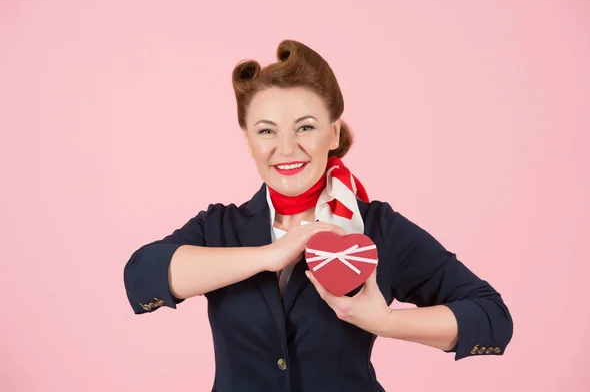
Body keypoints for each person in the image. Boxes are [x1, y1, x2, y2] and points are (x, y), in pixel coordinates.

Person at [123, 39, 513, 392]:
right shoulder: (220, 227)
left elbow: (491, 316)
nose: (287, 148)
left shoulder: (375, 227)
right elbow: (142, 276)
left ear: (334, 133)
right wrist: (270, 255)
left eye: (305, 127)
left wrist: (384, 322)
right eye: (266, 131)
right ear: (248, 142)